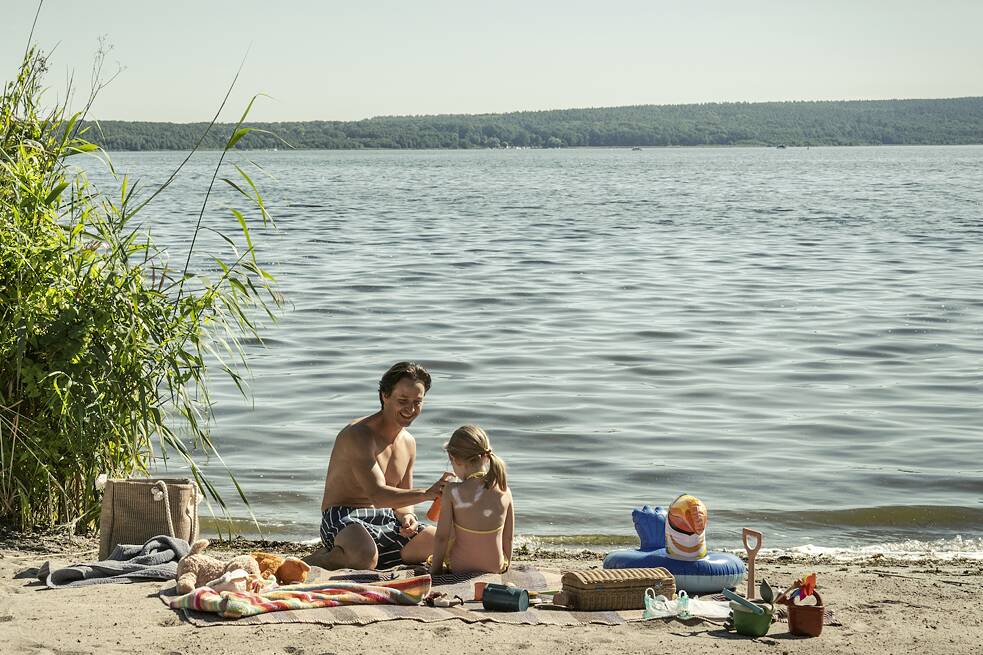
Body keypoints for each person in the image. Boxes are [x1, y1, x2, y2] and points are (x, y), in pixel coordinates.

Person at [304, 362, 451, 570]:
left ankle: (373, 558)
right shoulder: (358, 435)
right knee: (364, 556)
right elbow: (378, 496)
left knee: (446, 544)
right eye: (403, 401)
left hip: (387, 521)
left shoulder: (408, 442)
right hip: (345, 516)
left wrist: (408, 516)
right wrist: (428, 493)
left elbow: (402, 499)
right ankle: (318, 560)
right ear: (385, 395)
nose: (410, 409)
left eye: (417, 402)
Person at [430, 425, 513, 575]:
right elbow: (508, 538)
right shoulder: (505, 490)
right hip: (495, 567)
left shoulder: (452, 491)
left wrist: (435, 572)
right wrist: (506, 568)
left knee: (453, 528)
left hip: (459, 567)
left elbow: (442, 537)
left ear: (454, 459)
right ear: (486, 457)